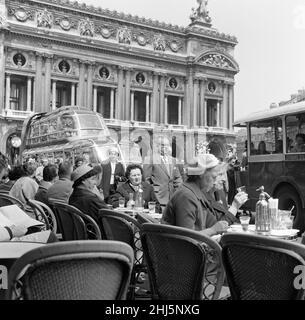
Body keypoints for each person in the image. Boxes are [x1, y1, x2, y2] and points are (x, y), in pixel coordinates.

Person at [162, 154, 248, 236]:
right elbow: (187, 238)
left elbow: (215, 224)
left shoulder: (197, 194)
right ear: (201, 175)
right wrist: (213, 231)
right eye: (214, 177)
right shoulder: (186, 196)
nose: (215, 181)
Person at [143, 136, 182, 211]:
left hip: (172, 198)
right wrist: (152, 193)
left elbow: (178, 179)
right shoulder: (150, 159)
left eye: (167, 145)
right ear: (157, 146)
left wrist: (180, 193)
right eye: (162, 145)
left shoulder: (173, 160)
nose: (165, 147)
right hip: (158, 198)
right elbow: (146, 179)